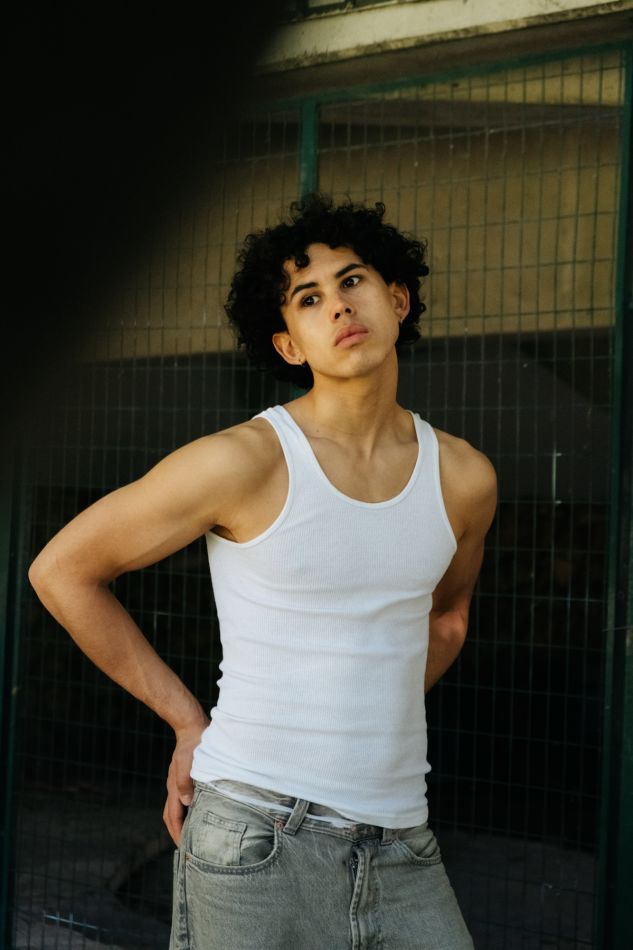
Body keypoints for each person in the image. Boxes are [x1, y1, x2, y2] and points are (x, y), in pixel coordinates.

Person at [29, 195, 497, 949]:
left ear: (397, 299)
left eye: (353, 281)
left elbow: (446, 619)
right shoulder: (244, 461)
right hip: (254, 834)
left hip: (402, 839)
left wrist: (361, 721)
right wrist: (187, 722)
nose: (338, 306)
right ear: (288, 345)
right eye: (308, 299)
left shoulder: (465, 477)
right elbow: (63, 571)